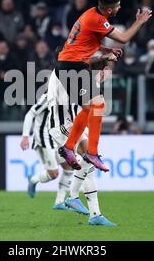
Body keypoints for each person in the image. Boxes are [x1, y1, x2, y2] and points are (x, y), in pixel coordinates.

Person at [55, 0, 152, 172]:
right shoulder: (97, 20)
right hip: (73, 66)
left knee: (87, 107)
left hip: (69, 64)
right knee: (98, 105)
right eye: (117, 6)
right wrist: (139, 21)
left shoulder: (91, 13)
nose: (120, 7)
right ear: (109, 10)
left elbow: (85, 40)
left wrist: (105, 50)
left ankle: (69, 148)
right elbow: (123, 38)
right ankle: (92, 152)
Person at [47, 57, 117, 226]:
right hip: (61, 125)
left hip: (71, 124)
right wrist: (99, 79)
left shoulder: (69, 73)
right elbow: (88, 105)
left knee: (89, 162)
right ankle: (75, 198)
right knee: (89, 160)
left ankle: (93, 213)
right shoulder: (62, 74)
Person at [20, 92, 74, 210]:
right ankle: (33, 180)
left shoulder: (71, 97)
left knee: (69, 166)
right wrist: (25, 136)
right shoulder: (49, 96)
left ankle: (59, 202)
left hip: (59, 139)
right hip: (44, 139)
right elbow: (30, 114)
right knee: (54, 174)